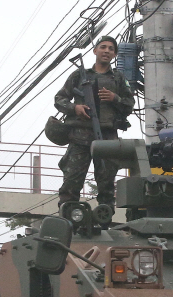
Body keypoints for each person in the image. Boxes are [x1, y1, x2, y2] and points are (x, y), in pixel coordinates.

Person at [54, 35, 135, 212]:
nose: (107, 51)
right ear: (95, 51)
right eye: (103, 47)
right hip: (80, 137)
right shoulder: (78, 75)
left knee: (106, 185)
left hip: (107, 137)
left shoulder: (119, 79)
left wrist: (115, 98)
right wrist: (75, 108)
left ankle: (104, 220)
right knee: (71, 182)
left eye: (111, 49)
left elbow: (129, 105)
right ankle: (68, 218)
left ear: (115, 55)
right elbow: (59, 99)